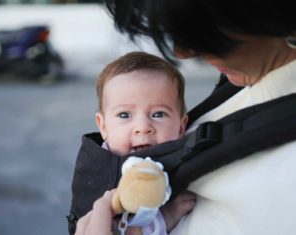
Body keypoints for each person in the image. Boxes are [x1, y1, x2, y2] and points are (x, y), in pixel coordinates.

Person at [74, 0, 296, 234]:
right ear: (102, 125)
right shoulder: (242, 81)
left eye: (199, 30)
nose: (182, 53)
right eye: (124, 114)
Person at [73, 51, 196, 235]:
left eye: (158, 114)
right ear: (103, 126)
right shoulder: (99, 170)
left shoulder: (182, 157)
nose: (143, 127)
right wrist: (167, 218)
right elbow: (124, 227)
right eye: (125, 115)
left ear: (181, 125)